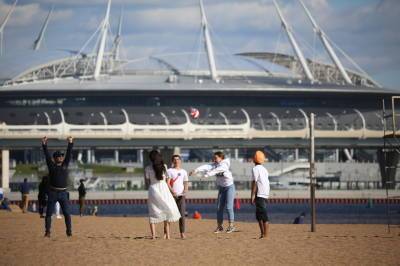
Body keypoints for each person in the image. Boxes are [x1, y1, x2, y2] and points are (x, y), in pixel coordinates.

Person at [190, 151, 236, 234]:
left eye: (216, 158)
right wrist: (196, 170)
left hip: (229, 187)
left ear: (221, 158)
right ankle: (220, 227)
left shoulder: (224, 165)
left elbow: (215, 171)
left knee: (229, 207)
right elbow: (206, 166)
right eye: (213, 158)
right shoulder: (214, 164)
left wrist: (204, 176)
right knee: (219, 208)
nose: (214, 159)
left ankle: (231, 226)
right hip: (221, 188)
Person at [42, 136, 74, 238]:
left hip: (63, 193)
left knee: (67, 213)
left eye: (61, 156)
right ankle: (47, 232)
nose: (61, 157)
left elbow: (69, 154)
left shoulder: (65, 165)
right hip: (53, 193)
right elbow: (47, 156)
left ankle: (69, 231)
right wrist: (44, 144)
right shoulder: (51, 166)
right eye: (58, 156)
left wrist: (70, 143)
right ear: (55, 158)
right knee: (48, 214)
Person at [145, 150, 180, 240]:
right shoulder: (164, 166)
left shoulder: (148, 168)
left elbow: (148, 181)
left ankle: (153, 236)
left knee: (153, 212)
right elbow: (165, 179)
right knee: (168, 209)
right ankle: (168, 235)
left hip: (153, 189)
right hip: (163, 189)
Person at [167, 154, 189, 239]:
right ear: (172, 161)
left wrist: (185, 191)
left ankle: (182, 233)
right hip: (172, 196)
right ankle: (167, 233)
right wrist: (172, 191)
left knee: (182, 215)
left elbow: (186, 182)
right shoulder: (169, 171)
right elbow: (167, 183)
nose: (176, 161)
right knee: (169, 214)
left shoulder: (183, 171)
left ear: (180, 161)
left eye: (178, 159)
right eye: (174, 159)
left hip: (181, 196)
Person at [250, 150, 270, 239]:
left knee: (262, 215)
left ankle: (265, 234)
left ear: (254, 160)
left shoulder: (255, 169)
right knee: (259, 215)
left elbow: (255, 182)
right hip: (265, 193)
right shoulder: (264, 169)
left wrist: (252, 195)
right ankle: (262, 234)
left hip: (260, 193)